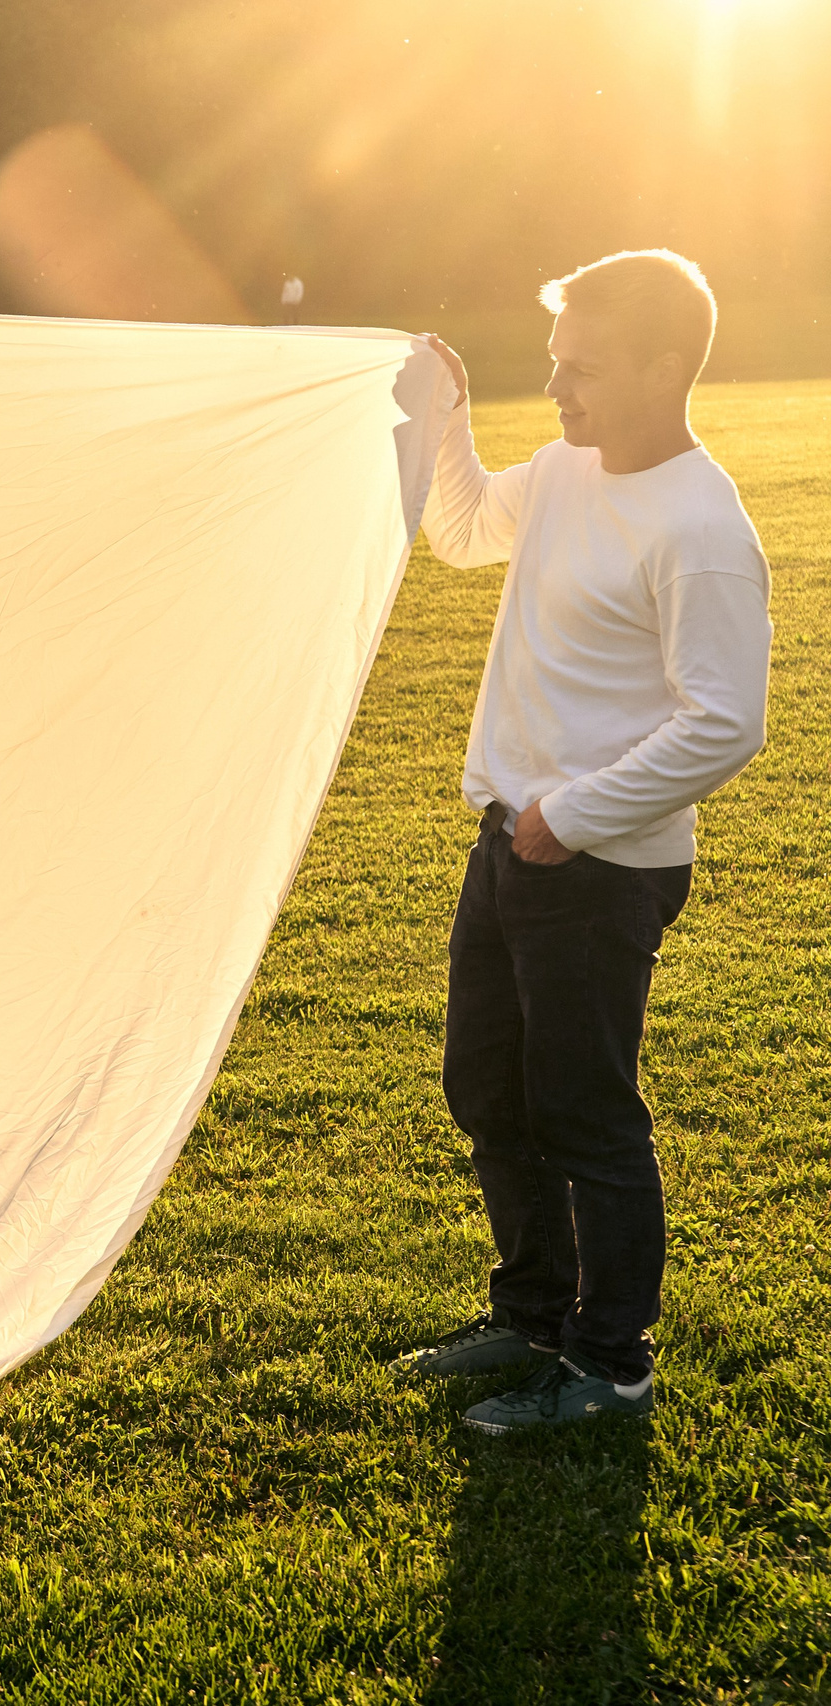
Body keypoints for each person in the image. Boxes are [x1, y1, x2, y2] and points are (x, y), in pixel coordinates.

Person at [398, 250, 769, 1433]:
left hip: (599, 871)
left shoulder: (701, 526)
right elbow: (457, 531)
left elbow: (724, 720)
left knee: (585, 1114)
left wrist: (570, 816)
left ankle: (609, 1365)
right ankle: (531, 1312)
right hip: (506, 843)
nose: (556, 391)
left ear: (665, 369)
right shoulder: (563, 469)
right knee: (488, 1090)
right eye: (554, 366)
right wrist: (443, 418)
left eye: (582, 370)